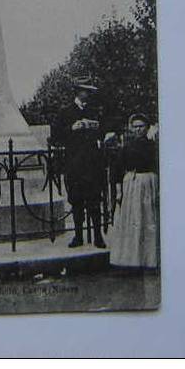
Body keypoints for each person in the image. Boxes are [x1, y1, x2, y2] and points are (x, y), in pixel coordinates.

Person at [50, 79, 107, 249]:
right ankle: (78, 236)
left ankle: (97, 236)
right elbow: (55, 137)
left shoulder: (94, 111)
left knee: (95, 200)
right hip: (74, 164)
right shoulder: (65, 112)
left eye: (89, 91)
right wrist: (72, 128)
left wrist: (97, 129)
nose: (88, 94)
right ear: (78, 92)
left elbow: (102, 132)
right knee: (76, 201)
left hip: (92, 163)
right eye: (85, 90)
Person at [109, 114, 160, 269]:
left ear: (147, 127)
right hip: (132, 185)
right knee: (133, 220)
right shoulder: (127, 147)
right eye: (135, 126)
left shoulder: (154, 146)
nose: (138, 129)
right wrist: (118, 190)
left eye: (141, 126)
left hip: (149, 183)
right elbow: (117, 170)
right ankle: (131, 259)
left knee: (148, 220)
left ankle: (149, 259)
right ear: (131, 128)